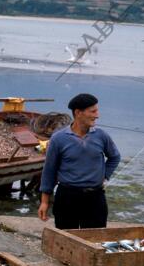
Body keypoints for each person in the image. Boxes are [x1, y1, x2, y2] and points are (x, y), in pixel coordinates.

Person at [38, 93, 121, 229]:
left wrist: (104, 175)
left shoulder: (101, 135)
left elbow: (115, 157)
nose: (97, 115)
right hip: (67, 197)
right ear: (78, 113)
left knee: (95, 240)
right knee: (66, 239)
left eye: (97, 111)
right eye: (93, 111)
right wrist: (44, 202)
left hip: (95, 197)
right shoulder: (58, 139)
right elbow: (49, 171)